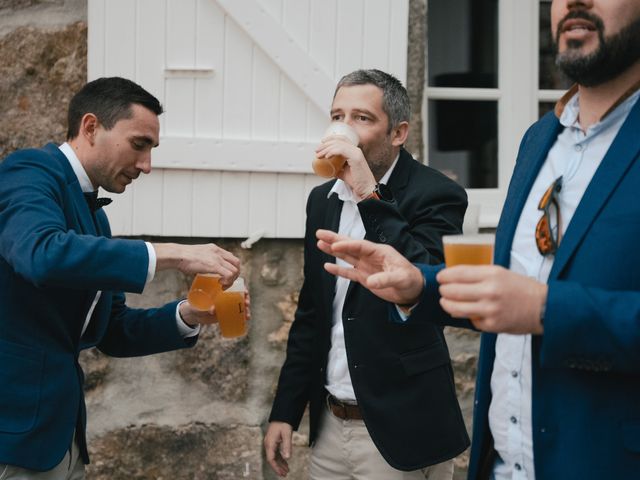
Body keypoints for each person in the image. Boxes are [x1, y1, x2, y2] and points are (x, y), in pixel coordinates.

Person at [316, 0, 640, 478]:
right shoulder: (539, 140)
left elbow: (534, 302)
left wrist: (548, 310)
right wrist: (419, 286)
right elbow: (505, 294)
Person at [0, 77, 245, 479]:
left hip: (62, 439)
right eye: (139, 144)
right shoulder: (28, 171)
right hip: (12, 437)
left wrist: (188, 315)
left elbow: (113, 330)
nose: (147, 165)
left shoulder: (97, 216)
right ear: (91, 127)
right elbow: (40, 254)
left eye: (151, 149)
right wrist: (172, 253)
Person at [263, 69, 469, 480]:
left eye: (361, 117)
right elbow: (312, 312)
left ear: (398, 133)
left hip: (401, 431)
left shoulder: (436, 192)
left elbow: (424, 281)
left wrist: (367, 193)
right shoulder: (322, 200)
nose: (343, 128)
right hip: (329, 427)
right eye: (338, 115)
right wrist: (286, 411)